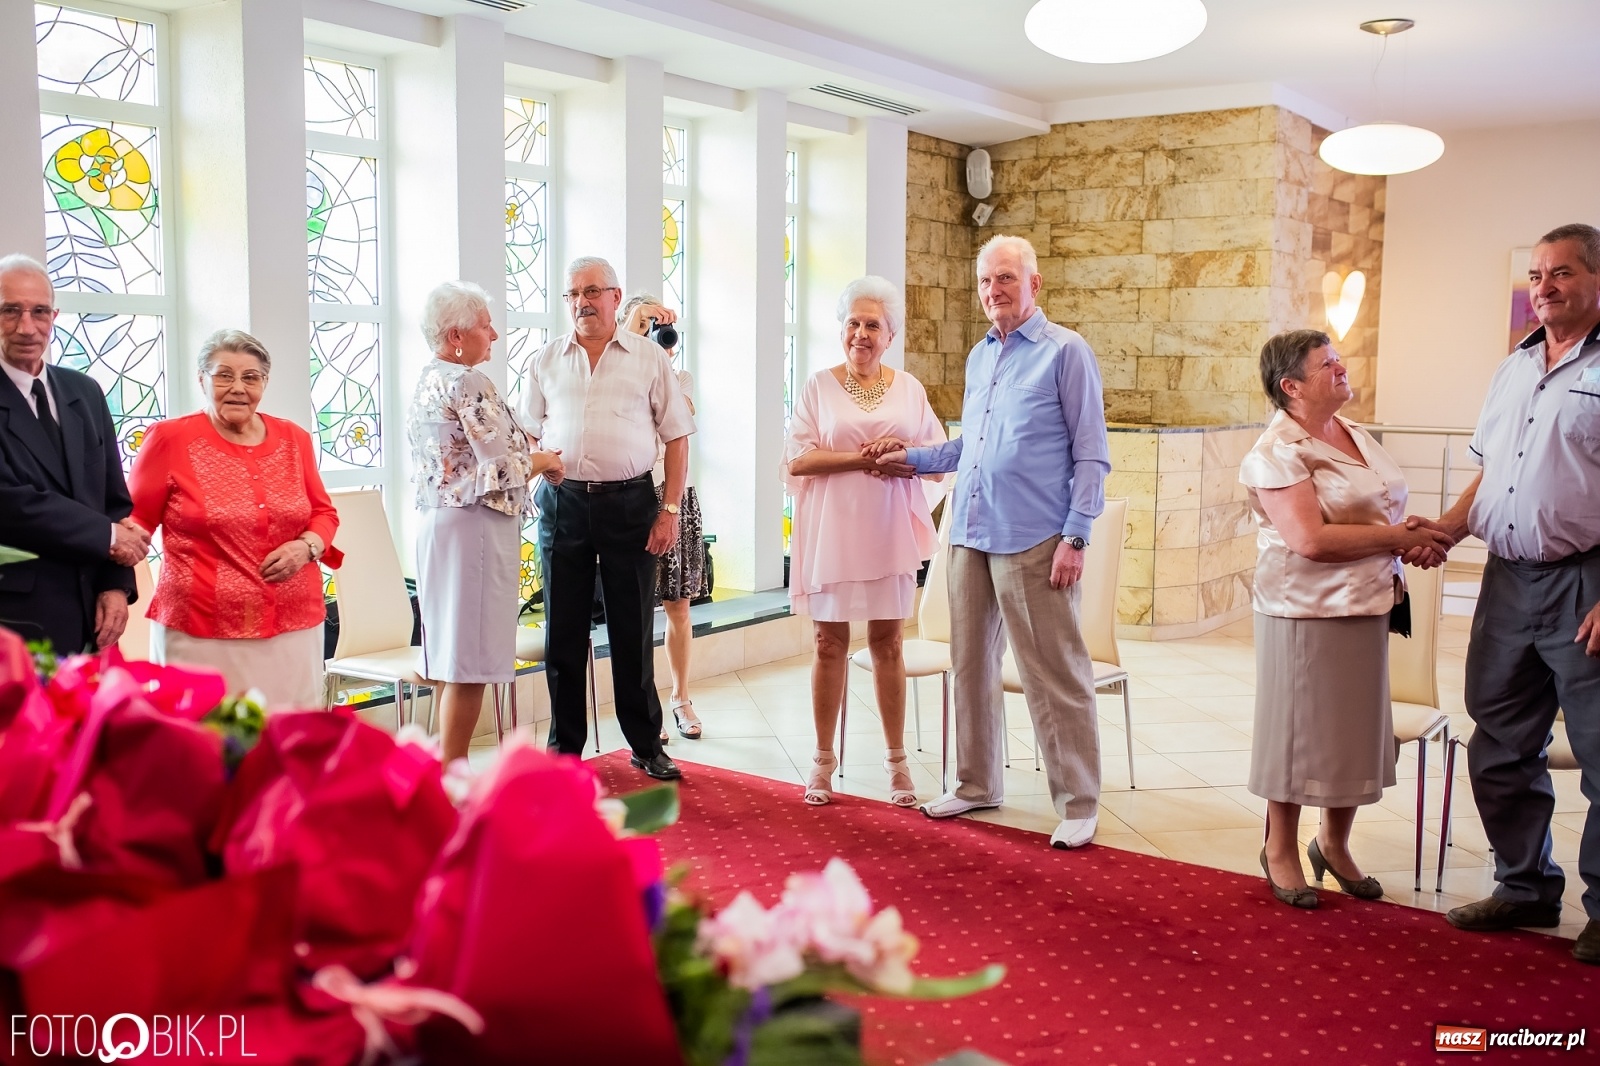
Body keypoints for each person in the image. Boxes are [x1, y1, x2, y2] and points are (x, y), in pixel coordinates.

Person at [875, 235, 1110, 848]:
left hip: (1036, 537)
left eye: (1005, 278)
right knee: (970, 665)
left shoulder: (1066, 352)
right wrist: (914, 458)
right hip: (970, 532)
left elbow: (1091, 455)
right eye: (984, 281)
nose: (993, 290)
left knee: (1053, 672)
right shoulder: (981, 357)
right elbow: (967, 447)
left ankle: (1079, 801)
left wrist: (1077, 536)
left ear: (1034, 284)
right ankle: (977, 784)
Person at [1430, 223, 1600, 963]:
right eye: (1536, 275)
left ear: (1595, 278)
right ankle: (1525, 887)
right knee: (1498, 744)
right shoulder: (1516, 367)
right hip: (1507, 580)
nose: (1544, 287)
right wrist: (1444, 529)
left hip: (1585, 581)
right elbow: (1492, 473)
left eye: (1560, 272)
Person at [1239, 329, 1450, 908]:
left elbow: (1381, 510)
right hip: (1304, 611)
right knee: (1297, 734)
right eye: (1326, 364)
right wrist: (1398, 538)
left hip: (1368, 602)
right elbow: (1309, 539)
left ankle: (1334, 843)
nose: (1341, 367)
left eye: (1338, 359)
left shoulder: (1353, 433)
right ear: (1291, 386)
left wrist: (1415, 538)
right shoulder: (1276, 451)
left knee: (1352, 733)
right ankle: (1278, 848)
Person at [521, 257, 695, 781]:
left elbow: (677, 435)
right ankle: (564, 751)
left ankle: (645, 742)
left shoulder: (648, 358)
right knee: (564, 632)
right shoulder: (546, 359)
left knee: (632, 628)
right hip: (563, 504)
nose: (582, 302)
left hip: (630, 504)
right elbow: (527, 430)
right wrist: (539, 471)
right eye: (573, 293)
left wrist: (669, 511)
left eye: (592, 291)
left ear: (617, 298)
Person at [785, 276, 944, 807]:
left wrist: (901, 453)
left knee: (889, 643)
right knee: (828, 643)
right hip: (835, 531)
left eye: (872, 325)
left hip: (888, 530)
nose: (860, 333)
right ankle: (823, 760)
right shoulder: (818, 386)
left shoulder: (910, 389)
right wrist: (862, 458)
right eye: (852, 323)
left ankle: (897, 762)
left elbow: (936, 454)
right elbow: (798, 460)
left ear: (890, 334)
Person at [127, 329, 343, 709]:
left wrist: (306, 546)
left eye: (250, 377)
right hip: (200, 630)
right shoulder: (169, 439)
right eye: (223, 375)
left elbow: (323, 513)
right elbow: (134, 524)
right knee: (206, 746)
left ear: (264, 383)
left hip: (291, 626)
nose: (238, 387)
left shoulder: (295, 439)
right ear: (201, 379)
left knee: (287, 743)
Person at [408, 281, 562, 764]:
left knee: (452, 660)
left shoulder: (427, 378)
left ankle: (442, 769)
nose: (493, 335)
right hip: (474, 527)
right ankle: (452, 777)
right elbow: (500, 468)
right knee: (469, 663)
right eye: (484, 325)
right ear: (456, 335)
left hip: (440, 526)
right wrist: (544, 460)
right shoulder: (466, 381)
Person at [0, 253, 143, 654]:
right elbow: (13, 503)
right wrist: (109, 537)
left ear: (55, 315)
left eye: (39, 311)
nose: (27, 327)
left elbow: (112, 498)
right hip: (16, 618)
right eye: (11, 311)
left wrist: (115, 584)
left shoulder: (85, 391)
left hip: (91, 616)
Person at [619, 292, 706, 743]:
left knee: (678, 605)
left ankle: (681, 696)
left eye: (663, 329)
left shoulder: (680, 375)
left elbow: (680, 419)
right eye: (648, 327)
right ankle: (644, 704)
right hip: (632, 494)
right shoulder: (617, 373)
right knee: (632, 610)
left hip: (674, 495)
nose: (661, 338)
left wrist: (660, 362)